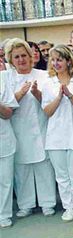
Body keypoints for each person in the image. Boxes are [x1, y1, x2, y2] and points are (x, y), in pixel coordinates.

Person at [4, 39, 57, 218]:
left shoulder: (43, 75)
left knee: (44, 166)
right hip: (18, 128)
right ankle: (25, 204)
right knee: (22, 168)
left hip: (41, 126)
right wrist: (19, 94)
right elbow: (6, 105)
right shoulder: (6, 78)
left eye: (24, 55)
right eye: (16, 57)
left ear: (30, 56)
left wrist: (37, 94)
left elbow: (51, 102)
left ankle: (48, 202)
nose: (21, 60)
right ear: (11, 60)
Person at [41, 45, 73, 222]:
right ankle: (68, 208)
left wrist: (69, 95)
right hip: (55, 137)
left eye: (60, 59)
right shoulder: (48, 83)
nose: (56, 63)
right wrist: (58, 97)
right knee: (62, 177)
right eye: (53, 60)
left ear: (68, 61)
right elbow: (47, 111)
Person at [0, 69, 19, 228]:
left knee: (5, 180)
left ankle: (4, 215)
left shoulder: (2, 80)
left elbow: (8, 113)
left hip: (3, 138)